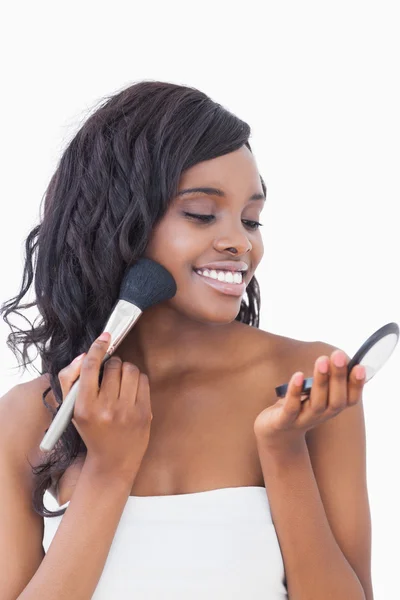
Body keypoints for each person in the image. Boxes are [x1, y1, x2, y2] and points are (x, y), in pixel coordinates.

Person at [0, 81, 373, 599]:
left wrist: (284, 450)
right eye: (201, 214)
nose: (240, 242)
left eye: (251, 219)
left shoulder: (305, 381)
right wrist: (108, 471)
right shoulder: (32, 417)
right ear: (116, 219)